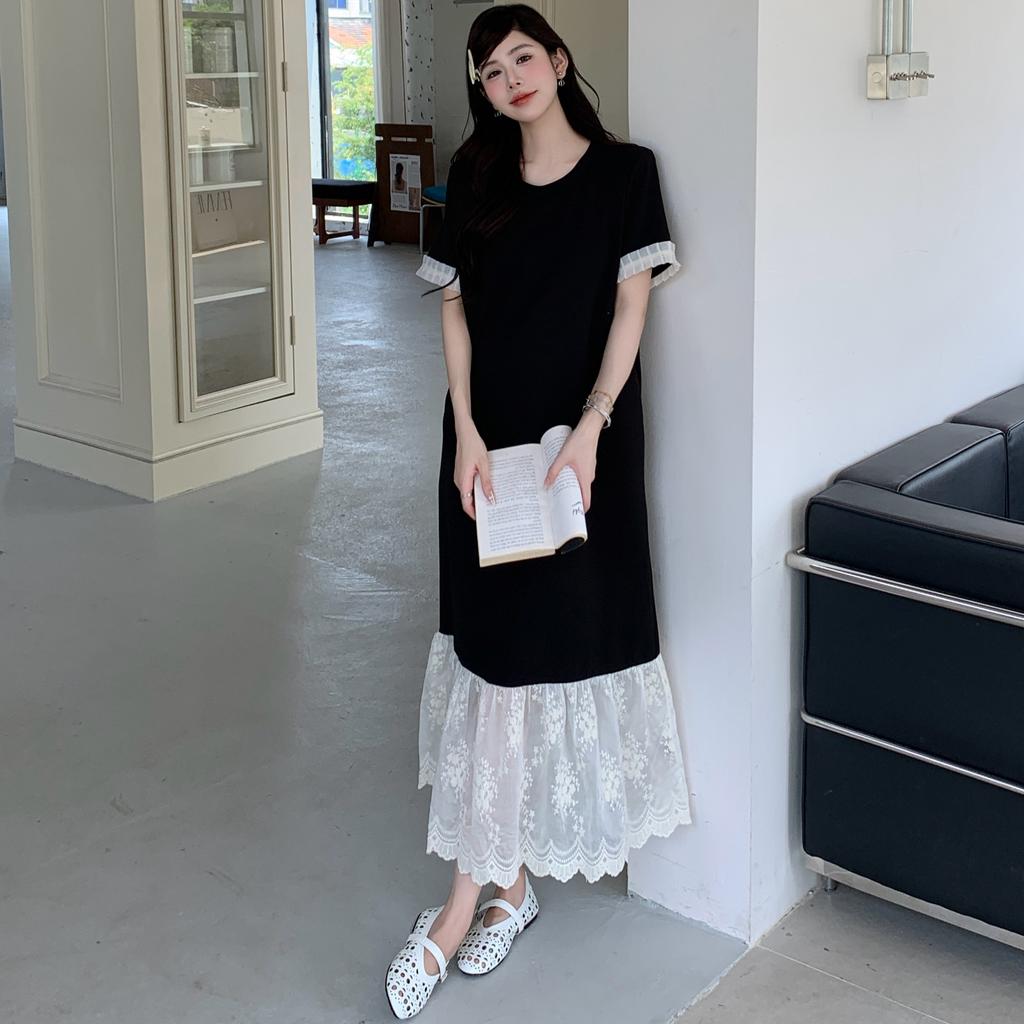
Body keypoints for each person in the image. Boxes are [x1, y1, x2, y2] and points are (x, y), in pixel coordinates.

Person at [385, 6, 691, 1018]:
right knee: (492, 656)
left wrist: (593, 426)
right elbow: (454, 308)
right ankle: (487, 892)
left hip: (577, 455)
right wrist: (466, 431)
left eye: (523, 57)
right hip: (488, 453)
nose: (509, 77)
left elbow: (632, 305)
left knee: (547, 647)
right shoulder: (475, 178)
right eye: (490, 69)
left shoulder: (625, 174)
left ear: (558, 62)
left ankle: (482, 898)